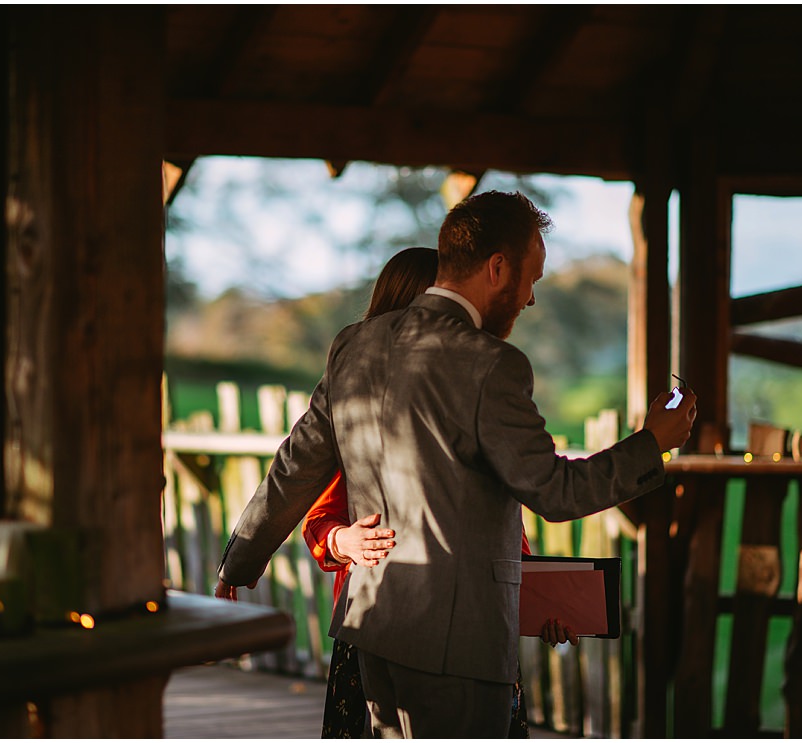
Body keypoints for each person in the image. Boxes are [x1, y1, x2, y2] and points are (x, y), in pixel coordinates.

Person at [217, 190, 697, 738]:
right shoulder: (493, 364)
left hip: (370, 631)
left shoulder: (355, 345)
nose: (531, 299)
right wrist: (651, 443)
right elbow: (556, 492)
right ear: (497, 268)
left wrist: (239, 563)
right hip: (459, 649)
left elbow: (294, 467)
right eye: (531, 278)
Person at [299, 246, 571, 738]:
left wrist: (543, 601)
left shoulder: (470, 399)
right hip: (376, 626)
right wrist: (342, 541)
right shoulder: (367, 416)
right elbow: (317, 516)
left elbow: (500, 529)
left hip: (473, 633)